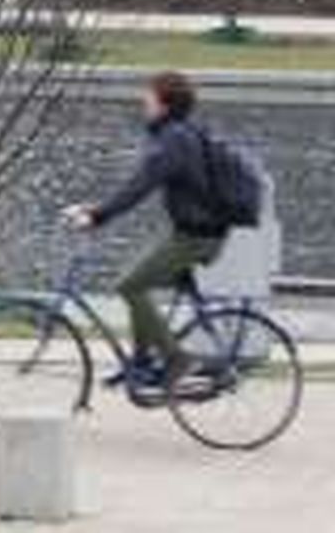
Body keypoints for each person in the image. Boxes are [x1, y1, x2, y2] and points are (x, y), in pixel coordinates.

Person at [63, 71, 229, 389]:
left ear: (165, 104)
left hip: (197, 238)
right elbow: (136, 182)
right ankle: (140, 363)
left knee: (130, 286)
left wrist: (98, 217)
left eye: (149, 96)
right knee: (135, 281)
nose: (144, 101)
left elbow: (140, 186)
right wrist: (93, 208)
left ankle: (177, 358)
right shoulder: (175, 133)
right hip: (192, 232)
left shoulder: (174, 140)